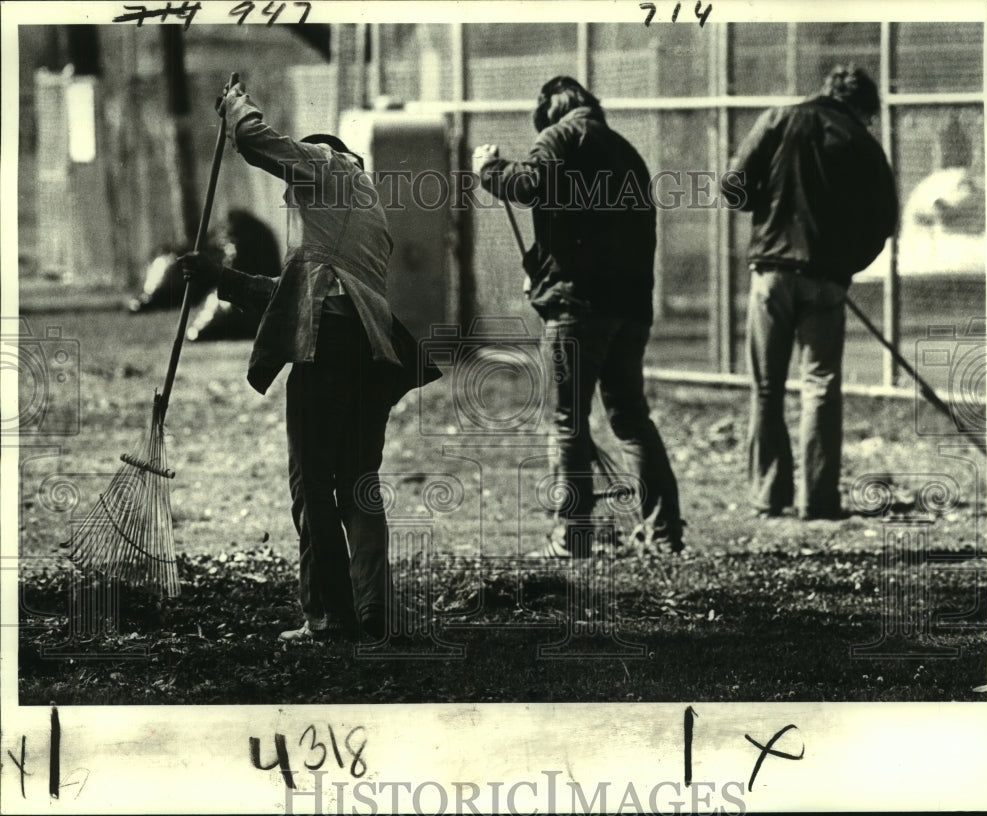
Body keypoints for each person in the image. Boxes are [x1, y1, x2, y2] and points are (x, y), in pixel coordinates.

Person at [182, 80, 439, 642]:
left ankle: (326, 615)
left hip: (330, 344)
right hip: (373, 352)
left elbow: (253, 139)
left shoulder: (326, 165)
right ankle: (373, 610)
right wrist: (222, 279)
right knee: (357, 481)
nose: (291, 195)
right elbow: (301, 287)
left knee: (311, 482)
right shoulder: (363, 211)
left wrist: (233, 105)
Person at [473, 76, 685, 556]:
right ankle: (666, 533)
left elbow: (526, 184)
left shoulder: (559, 137)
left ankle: (573, 534)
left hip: (578, 308)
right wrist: (543, 266)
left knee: (568, 420)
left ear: (549, 107)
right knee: (631, 418)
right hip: (629, 308)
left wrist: (489, 169)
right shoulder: (625, 151)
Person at [727, 64, 898, 520]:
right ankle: (818, 500)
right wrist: (846, 268)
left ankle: (768, 495)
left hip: (771, 271)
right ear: (863, 108)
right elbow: (884, 221)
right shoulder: (863, 142)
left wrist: (762, 203)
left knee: (766, 388)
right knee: (820, 386)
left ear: (825, 90)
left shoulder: (779, 118)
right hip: (825, 280)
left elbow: (733, 188)